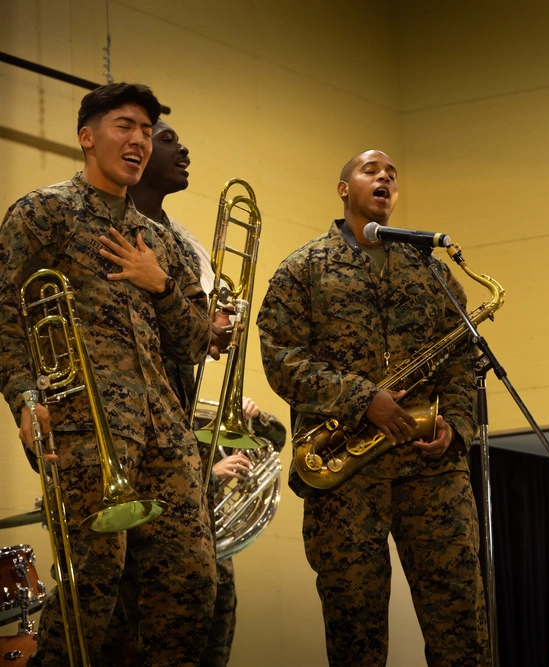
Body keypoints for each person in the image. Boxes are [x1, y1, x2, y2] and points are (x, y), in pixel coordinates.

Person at [0, 83, 216, 666]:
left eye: (147, 130)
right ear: (86, 137)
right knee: (91, 592)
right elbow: (4, 314)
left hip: (163, 430)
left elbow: (196, 340)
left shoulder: (163, 239)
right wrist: (24, 397)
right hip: (82, 426)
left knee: (192, 581)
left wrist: (160, 283)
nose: (140, 140)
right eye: (126, 126)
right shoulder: (42, 211)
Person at [257, 149, 488, 666]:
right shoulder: (303, 268)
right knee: (354, 630)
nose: (384, 177)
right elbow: (280, 358)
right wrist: (364, 400)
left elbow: (462, 355)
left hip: (430, 467)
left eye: (392, 175)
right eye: (370, 170)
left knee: (461, 624)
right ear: (344, 189)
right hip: (343, 470)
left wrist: (457, 425)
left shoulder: (427, 268)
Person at [123, 118, 287, 667]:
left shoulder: (186, 243)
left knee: (209, 604)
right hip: (132, 445)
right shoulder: (104, 225)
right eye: (166, 139)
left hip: (180, 435)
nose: (181, 147)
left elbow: (201, 338)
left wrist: (217, 328)